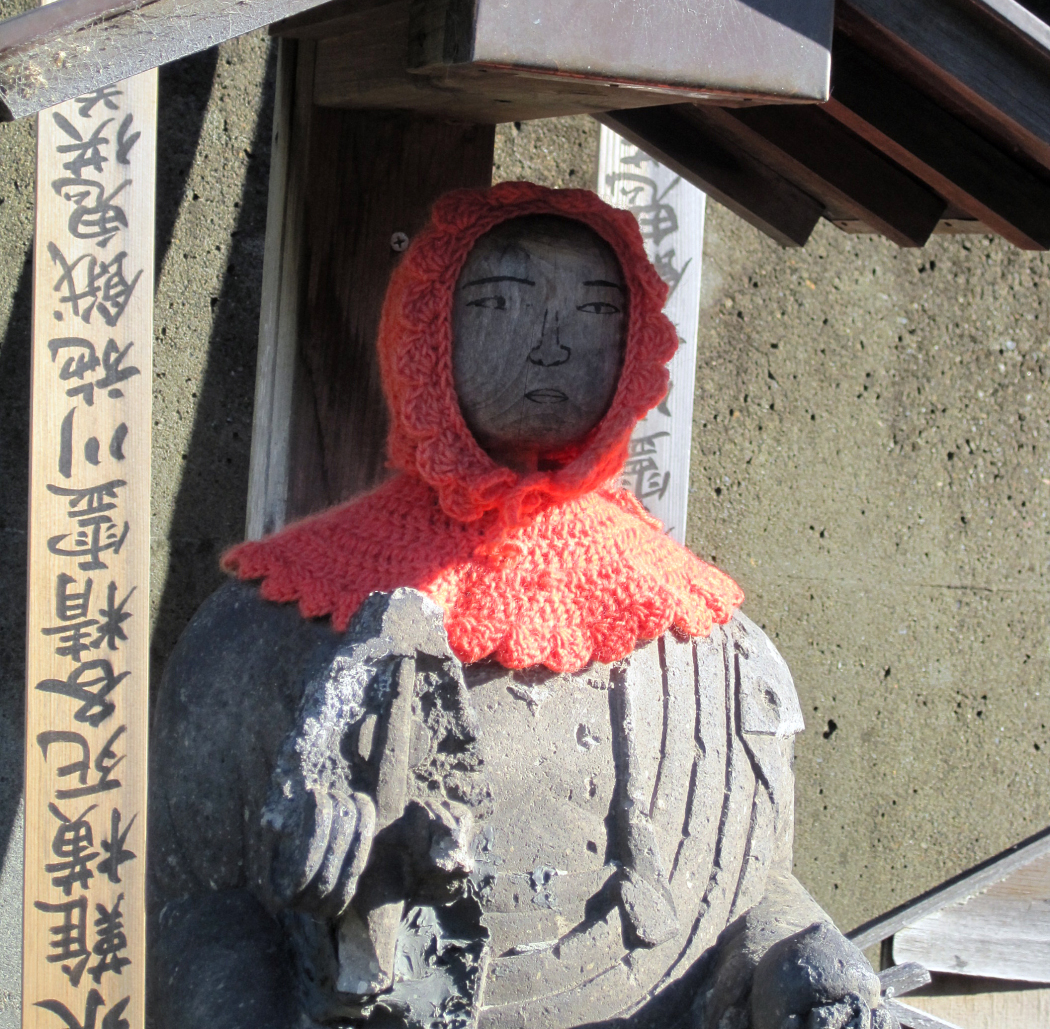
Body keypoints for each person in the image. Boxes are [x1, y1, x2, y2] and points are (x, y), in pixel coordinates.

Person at [149, 182, 895, 1029]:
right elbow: (197, 915)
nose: (551, 344)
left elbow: (752, 892)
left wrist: (805, 964)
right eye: (501, 305)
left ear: (637, 341)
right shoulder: (270, 623)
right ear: (424, 332)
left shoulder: (717, 650)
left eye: (595, 311)